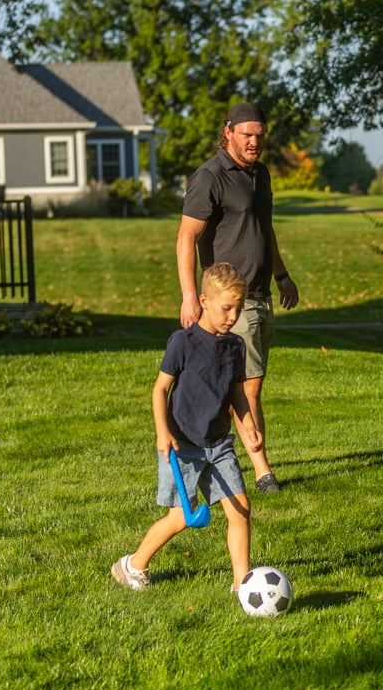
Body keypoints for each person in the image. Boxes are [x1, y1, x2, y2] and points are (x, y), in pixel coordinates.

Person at [111, 263, 263, 592]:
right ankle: (133, 565)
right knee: (181, 517)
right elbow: (160, 389)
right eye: (227, 307)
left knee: (240, 510)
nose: (232, 316)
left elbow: (237, 391)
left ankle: (242, 584)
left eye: (238, 308)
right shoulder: (183, 342)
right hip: (183, 446)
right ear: (205, 300)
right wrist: (162, 432)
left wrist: (248, 424)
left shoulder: (235, 346)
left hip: (219, 443)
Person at [176, 100, 299, 494]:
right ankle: (263, 471)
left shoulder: (260, 174)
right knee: (248, 386)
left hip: (261, 294)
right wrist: (190, 296)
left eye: (260, 135)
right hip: (230, 299)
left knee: (248, 383)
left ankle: (219, 453)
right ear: (228, 132)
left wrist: (282, 275)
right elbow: (186, 237)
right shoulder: (211, 176)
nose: (254, 142)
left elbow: (266, 229)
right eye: (247, 135)